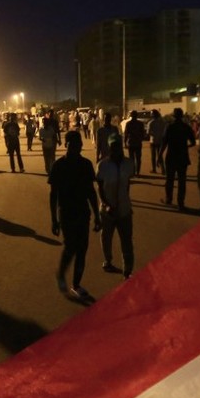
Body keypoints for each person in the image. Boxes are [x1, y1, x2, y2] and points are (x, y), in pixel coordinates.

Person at [49, 130, 102, 300]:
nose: (76, 148)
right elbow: (53, 194)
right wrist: (54, 220)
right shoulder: (58, 166)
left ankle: (76, 285)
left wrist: (97, 215)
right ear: (66, 145)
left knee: (82, 250)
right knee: (71, 247)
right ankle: (61, 273)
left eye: (78, 145)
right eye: (72, 145)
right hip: (66, 212)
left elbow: (91, 192)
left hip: (83, 212)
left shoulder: (86, 164)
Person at [97, 133, 135, 278]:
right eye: (113, 146)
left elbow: (127, 185)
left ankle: (128, 270)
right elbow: (100, 188)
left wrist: (125, 200)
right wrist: (106, 205)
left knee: (127, 240)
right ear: (109, 147)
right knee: (106, 238)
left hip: (124, 209)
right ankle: (108, 261)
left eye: (118, 146)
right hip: (107, 211)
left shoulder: (129, 163)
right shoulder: (102, 165)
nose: (116, 149)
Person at [158, 108, 196, 212]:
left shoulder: (169, 127)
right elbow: (193, 142)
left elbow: (164, 142)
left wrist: (159, 155)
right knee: (182, 181)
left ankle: (168, 199)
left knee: (169, 180)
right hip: (183, 157)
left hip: (171, 156)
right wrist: (185, 147)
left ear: (173, 116)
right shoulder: (186, 127)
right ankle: (181, 203)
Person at [123, 110, 146, 176]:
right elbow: (143, 133)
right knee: (138, 158)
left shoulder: (129, 124)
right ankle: (137, 172)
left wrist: (125, 142)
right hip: (138, 143)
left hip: (131, 142)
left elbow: (126, 134)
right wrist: (140, 139)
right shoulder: (140, 124)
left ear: (131, 116)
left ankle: (133, 172)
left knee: (131, 158)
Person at [147, 109, 167, 174]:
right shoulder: (163, 121)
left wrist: (154, 134)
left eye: (151, 113)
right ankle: (163, 170)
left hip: (153, 141)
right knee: (160, 155)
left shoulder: (151, 123)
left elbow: (148, 133)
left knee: (153, 156)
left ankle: (154, 169)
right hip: (161, 140)